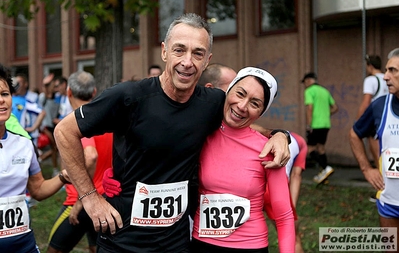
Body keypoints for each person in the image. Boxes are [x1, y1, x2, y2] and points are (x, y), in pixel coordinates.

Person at [54, 13, 290, 252]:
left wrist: (280, 135)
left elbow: (243, 123)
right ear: (164, 51)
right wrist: (90, 197)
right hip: (123, 240)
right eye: (180, 50)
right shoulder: (128, 97)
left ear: (207, 60)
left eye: (197, 53)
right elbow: (64, 132)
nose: (187, 61)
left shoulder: (213, 103)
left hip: (175, 243)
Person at [190, 67, 295, 252]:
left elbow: (284, 216)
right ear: (228, 91)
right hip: (201, 244)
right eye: (240, 93)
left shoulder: (269, 148)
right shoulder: (200, 134)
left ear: (261, 112)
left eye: (254, 103)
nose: (242, 106)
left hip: (250, 246)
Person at [0, 63, 71, 253]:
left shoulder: (24, 144)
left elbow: (38, 189)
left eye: (5, 94)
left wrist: (65, 176)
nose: (1, 101)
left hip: (23, 245)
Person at [47, 71, 113, 253]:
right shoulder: (106, 119)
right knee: (95, 249)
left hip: (80, 202)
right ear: (94, 92)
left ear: (68, 92)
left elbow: (91, 155)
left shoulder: (76, 120)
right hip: (103, 199)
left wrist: (80, 201)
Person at [349, 48, 399, 245]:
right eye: (386, 70)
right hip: (389, 203)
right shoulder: (380, 106)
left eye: (392, 70)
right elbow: (354, 134)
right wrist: (366, 168)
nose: (385, 76)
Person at [264, 132, 307, 253]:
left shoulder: (266, 134)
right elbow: (296, 176)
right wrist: (289, 207)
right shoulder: (301, 143)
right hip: (274, 188)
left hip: (253, 184)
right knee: (292, 238)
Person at [301, 72, 338, 184]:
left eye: (304, 82)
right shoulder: (324, 91)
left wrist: (309, 125)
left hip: (315, 125)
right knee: (321, 148)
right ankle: (324, 176)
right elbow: (335, 108)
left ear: (308, 81)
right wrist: (326, 114)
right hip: (326, 124)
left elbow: (309, 108)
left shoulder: (309, 91)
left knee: (310, 149)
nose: (304, 85)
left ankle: (326, 167)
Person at [357, 55, 389, 168]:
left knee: (377, 154)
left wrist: (359, 120)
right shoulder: (387, 77)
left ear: (370, 66)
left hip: (375, 118)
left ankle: (382, 180)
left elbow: (366, 102)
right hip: (388, 116)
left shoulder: (370, 80)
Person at [11, 73, 46, 146]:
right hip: (12, 135)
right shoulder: (9, 99)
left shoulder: (25, 101)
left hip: (26, 135)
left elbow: (42, 112)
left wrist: (33, 128)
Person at [38, 73, 61, 176]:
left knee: (55, 148)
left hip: (54, 125)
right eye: (52, 85)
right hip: (45, 126)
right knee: (55, 147)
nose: (54, 87)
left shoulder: (58, 97)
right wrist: (45, 82)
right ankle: (54, 169)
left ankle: (42, 158)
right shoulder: (43, 97)